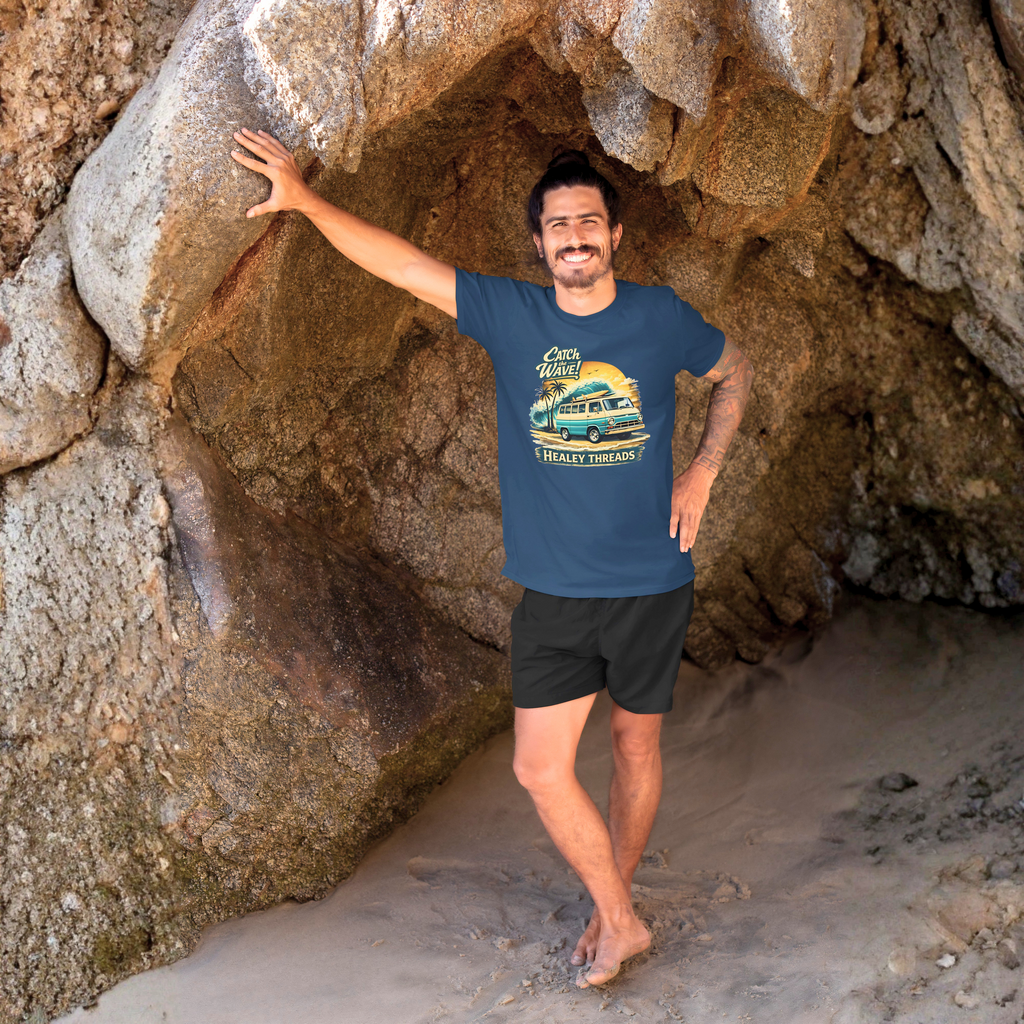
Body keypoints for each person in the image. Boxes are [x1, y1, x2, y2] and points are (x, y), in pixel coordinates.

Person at [230, 129, 753, 989]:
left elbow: (736, 371)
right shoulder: (514, 316)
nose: (576, 237)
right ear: (539, 243)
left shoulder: (660, 318)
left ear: (615, 234)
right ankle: (622, 917)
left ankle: (611, 909)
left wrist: (704, 469)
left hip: (654, 581)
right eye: (560, 225)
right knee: (539, 768)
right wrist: (305, 199)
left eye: (589, 222)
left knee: (635, 747)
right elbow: (403, 266)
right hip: (556, 592)